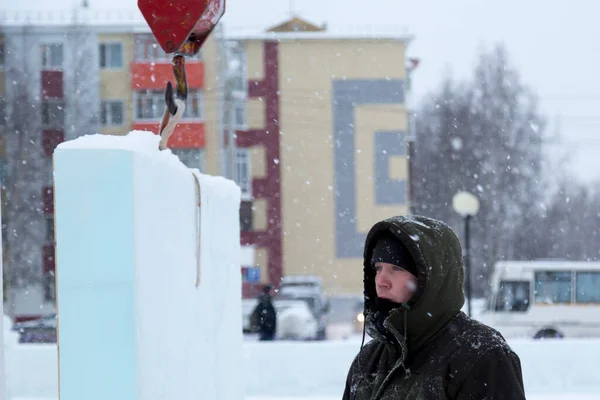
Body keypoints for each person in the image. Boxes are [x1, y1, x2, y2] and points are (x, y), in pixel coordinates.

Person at [343, 215, 526, 399]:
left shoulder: (481, 355)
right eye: (378, 268)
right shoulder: (368, 360)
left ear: (429, 279)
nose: (381, 281)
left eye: (396, 269)